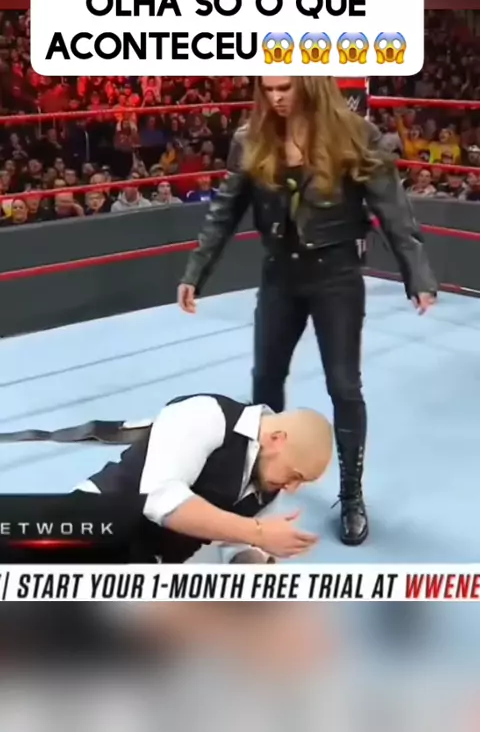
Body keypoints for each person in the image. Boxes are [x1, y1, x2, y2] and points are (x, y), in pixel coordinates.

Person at [178, 77, 438, 547]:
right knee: (265, 380)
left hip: (336, 276)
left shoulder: (354, 134)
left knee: (344, 386)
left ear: (309, 84)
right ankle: (259, 478)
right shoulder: (252, 139)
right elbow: (225, 210)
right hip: (280, 275)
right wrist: (196, 271)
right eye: (267, 89)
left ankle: (351, 494)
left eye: (285, 88)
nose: (276, 97)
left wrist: (416, 274)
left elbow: (393, 208)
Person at [0, 393, 332, 564]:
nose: (292, 488)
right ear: (277, 440)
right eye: (295, 476)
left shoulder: (267, 480)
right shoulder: (206, 414)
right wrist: (257, 532)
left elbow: (237, 540)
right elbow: (160, 499)